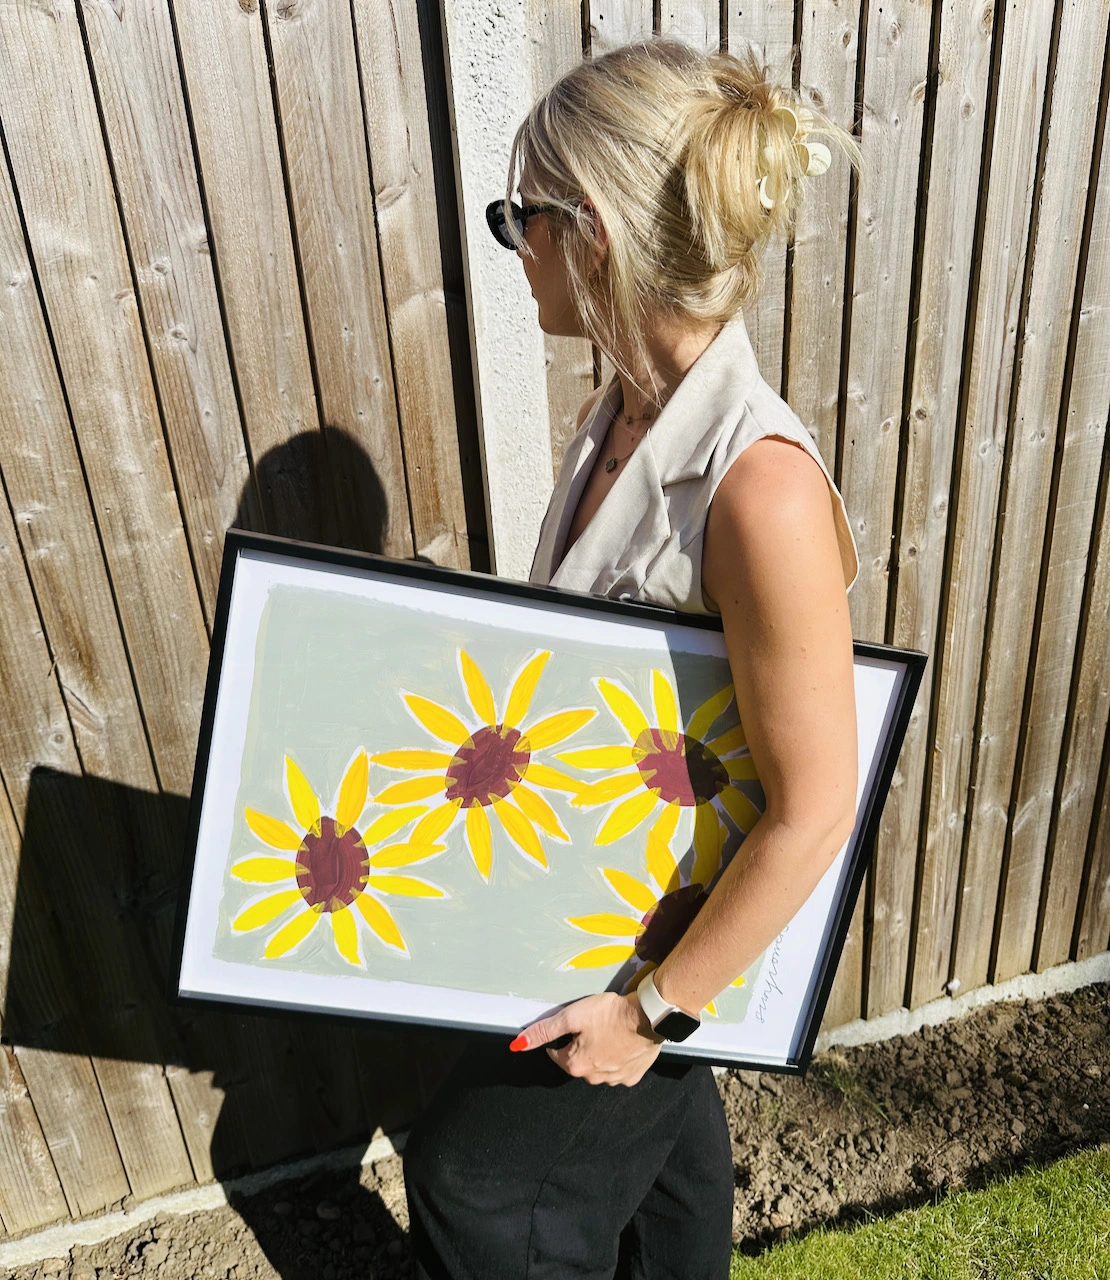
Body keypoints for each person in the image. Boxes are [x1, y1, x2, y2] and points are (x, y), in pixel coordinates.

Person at [404, 36, 862, 1279]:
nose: (516, 249)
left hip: (649, 954)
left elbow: (818, 807)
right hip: (603, 911)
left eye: (520, 219)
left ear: (589, 232)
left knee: (475, 1182)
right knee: (667, 1177)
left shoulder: (758, 488)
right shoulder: (623, 413)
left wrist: (652, 1013)